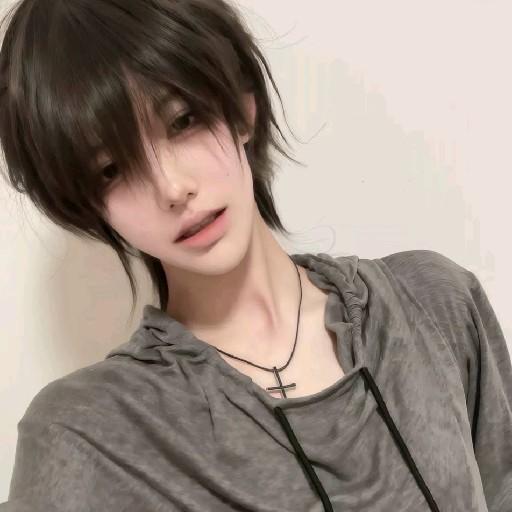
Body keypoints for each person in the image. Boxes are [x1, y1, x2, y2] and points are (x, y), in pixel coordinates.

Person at [0, 1, 510, 511]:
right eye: (112, 169)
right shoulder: (86, 436)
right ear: (89, 204)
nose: (172, 188)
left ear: (243, 107)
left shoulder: (433, 304)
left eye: (182, 121)